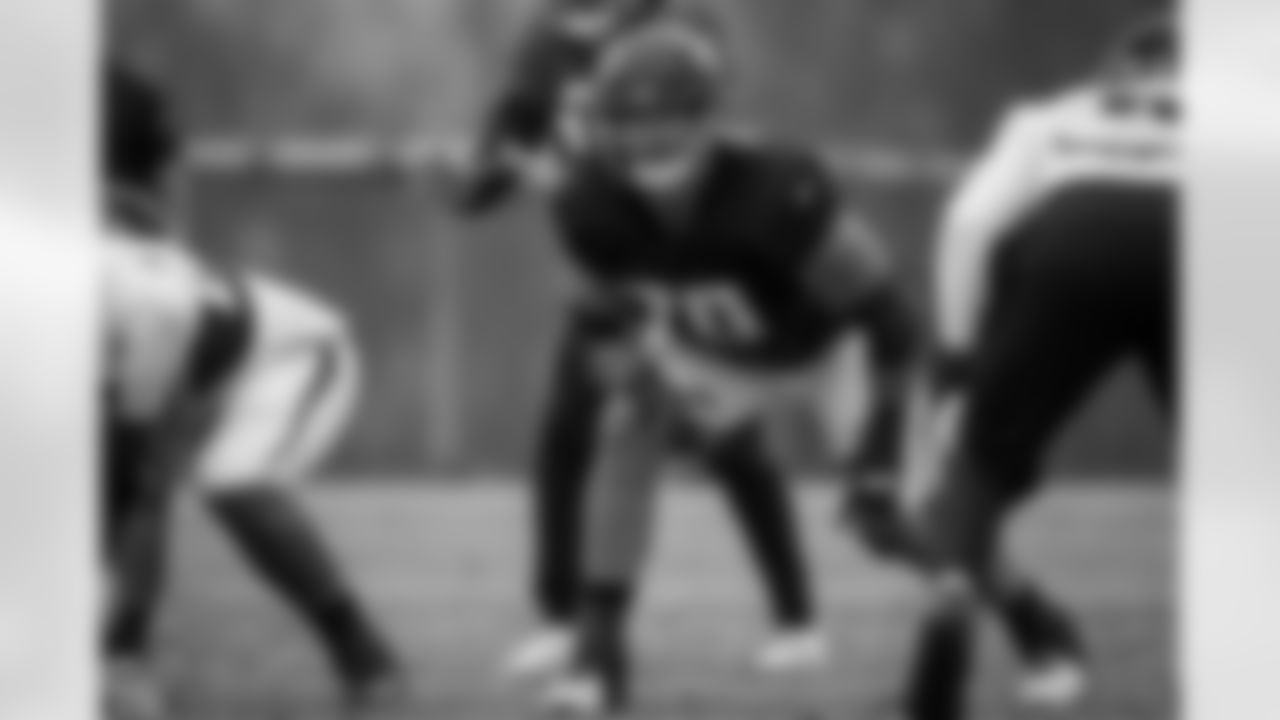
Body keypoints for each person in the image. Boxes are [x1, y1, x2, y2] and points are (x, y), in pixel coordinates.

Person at [537, 19, 920, 713]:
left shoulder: (775, 188)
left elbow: (893, 322)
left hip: (828, 354)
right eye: (632, 119)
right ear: (606, 128)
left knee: (900, 525)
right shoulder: (591, 206)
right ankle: (599, 651)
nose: (652, 136)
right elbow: (597, 322)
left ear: (708, 116)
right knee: (629, 419)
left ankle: (1031, 619)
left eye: (672, 115)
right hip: (718, 358)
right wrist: (627, 372)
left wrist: (882, 449)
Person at [461, 0, 836, 676]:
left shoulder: (680, 17)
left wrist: (617, 54)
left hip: (692, 248)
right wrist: (477, 180)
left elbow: (705, 87)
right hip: (613, 247)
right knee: (568, 426)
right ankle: (562, 616)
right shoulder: (548, 32)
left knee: (726, 435)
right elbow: (516, 117)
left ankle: (795, 617)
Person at [897, 17, 1178, 720]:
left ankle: (953, 585)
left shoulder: (1053, 117)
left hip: (1072, 241)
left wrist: (960, 363)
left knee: (978, 461)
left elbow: (967, 224)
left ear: (1118, 70)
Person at [102, 60, 400, 716]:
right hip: (176, 355)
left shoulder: (137, 295)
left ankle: (362, 653)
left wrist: (123, 646)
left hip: (289, 355)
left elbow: (142, 479)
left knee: (228, 481)